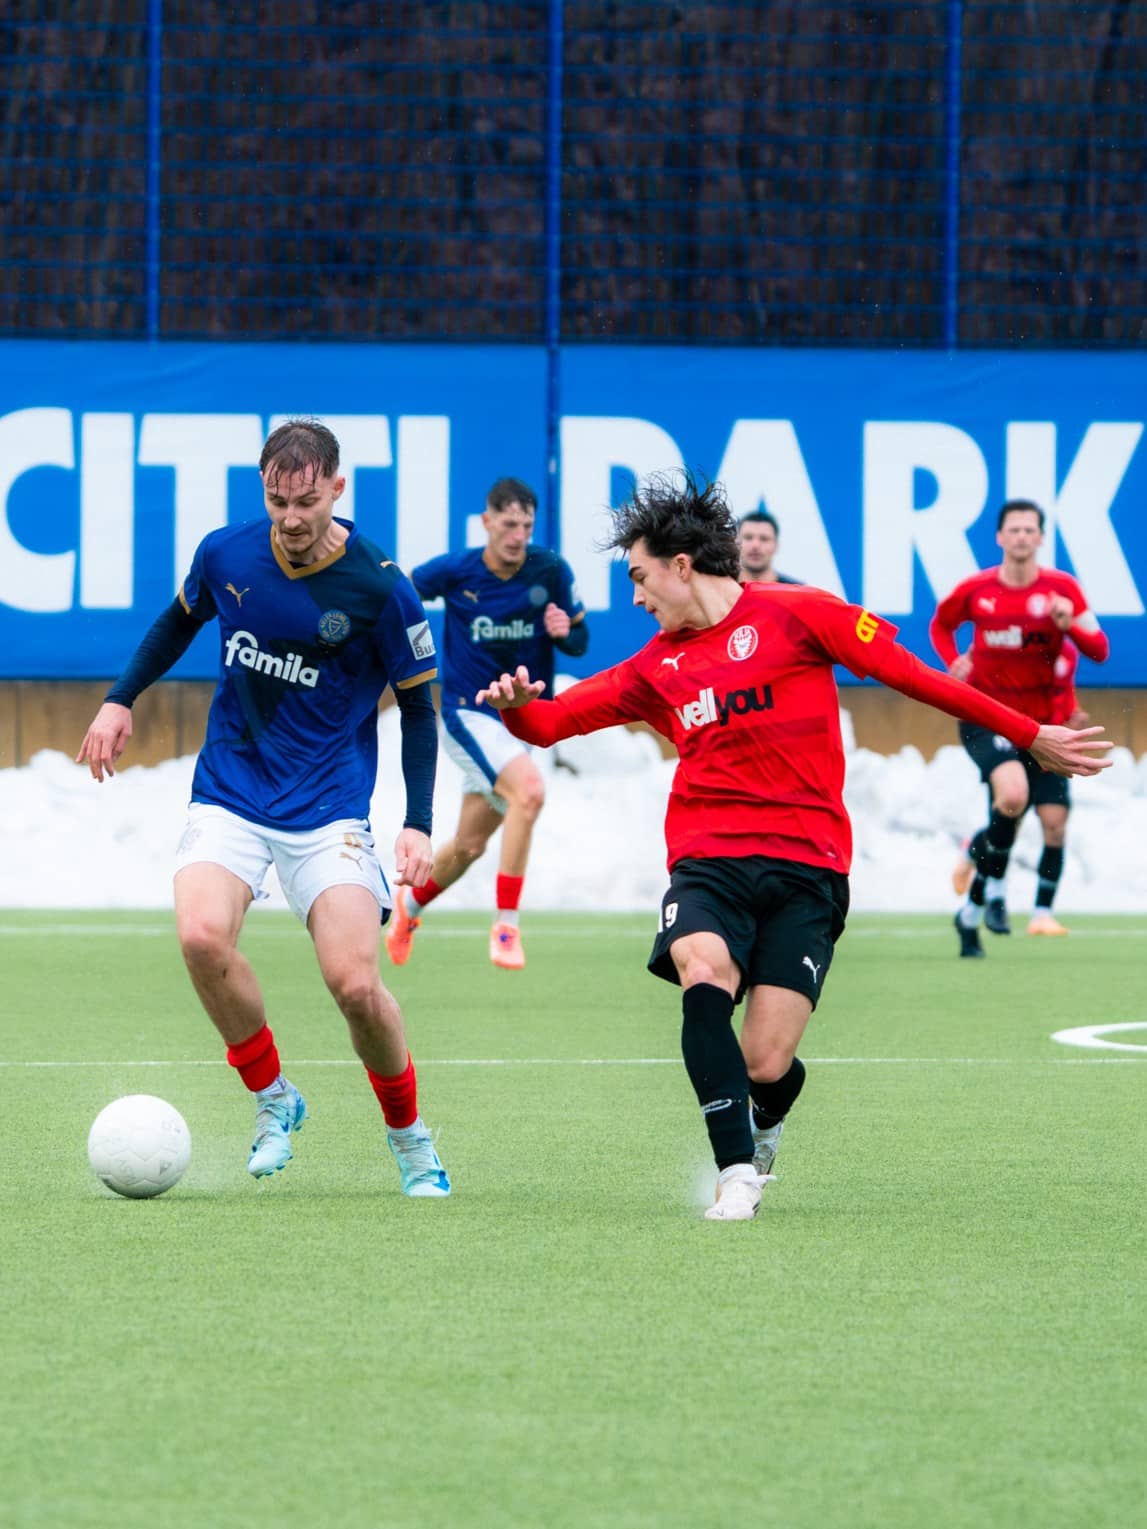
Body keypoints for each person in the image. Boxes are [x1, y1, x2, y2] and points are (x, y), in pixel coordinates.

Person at [476, 472, 1110, 1222]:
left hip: (808, 867)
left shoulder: (803, 614)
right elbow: (552, 723)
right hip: (708, 860)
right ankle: (734, 1171)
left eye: (640, 578)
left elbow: (915, 677)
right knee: (701, 970)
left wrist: (1027, 733)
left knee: (765, 1063)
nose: (637, 598)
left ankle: (766, 1119)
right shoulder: (655, 667)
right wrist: (519, 713)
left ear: (682, 565)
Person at [76, 418, 451, 1197]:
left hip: (328, 807)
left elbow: (419, 708)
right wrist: (120, 699)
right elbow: (177, 621)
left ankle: (409, 1136)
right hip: (232, 791)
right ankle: (273, 1097)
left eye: (306, 501)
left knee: (354, 986)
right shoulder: (226, 552)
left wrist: (417, 819)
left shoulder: (382, 586)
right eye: (277, 499)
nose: (289, 518)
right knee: (200, 935)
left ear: (337, 490)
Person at [385, 476, 587, 971]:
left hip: (521, 720)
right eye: (509, 523)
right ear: (487, 522)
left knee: (471, 844)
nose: (518, 535)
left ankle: (408, 910)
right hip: (468, 713)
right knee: (531, 792)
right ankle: (506, 926)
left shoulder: (552, 570)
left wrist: (567, 634)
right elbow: (399, 592)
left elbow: (579, 642)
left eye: (527, 525)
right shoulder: (457, 571)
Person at [930, 500, 1109, 956]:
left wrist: (1072, 626)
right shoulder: (976, 590)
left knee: (1051, 821)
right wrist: (953, 661)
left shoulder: (1062, 589)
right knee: (1012, 797)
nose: (1022, 537)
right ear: (1000, 537)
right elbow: (941, 625)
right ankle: (994, 892)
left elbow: (1100, 649)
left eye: (1031, 529)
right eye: (1014, 529)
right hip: (984, 715)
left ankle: (976, 904)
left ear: (1041, 538)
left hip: (1041, 727)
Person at [736, 510, 801, 584]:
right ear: (736, 543)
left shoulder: (796, 591)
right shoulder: (722, 590)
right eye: (748, 537)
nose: (755, 545)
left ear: (776, 546)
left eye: (764, 539)